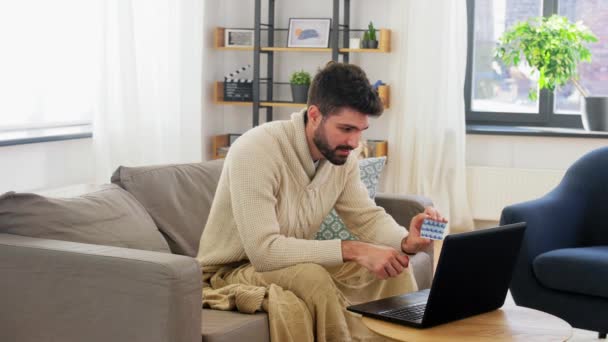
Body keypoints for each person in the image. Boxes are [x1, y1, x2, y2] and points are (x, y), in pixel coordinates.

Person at [197, 62, 446, 341]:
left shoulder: (343, 159)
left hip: (291, 262)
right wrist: (355, 249)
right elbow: (263, 251)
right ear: (314, 115)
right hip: (232, 271)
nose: (354, 142)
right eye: (346, 128)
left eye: (361, 130)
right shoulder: (256, 151)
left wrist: (405, 241)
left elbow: (365, 217)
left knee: (394, 267)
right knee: (312, 278)